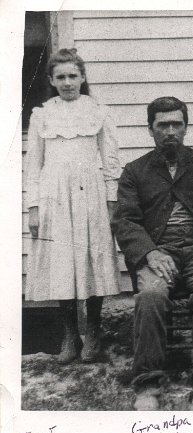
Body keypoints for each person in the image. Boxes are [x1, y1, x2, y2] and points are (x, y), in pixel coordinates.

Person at [112, 96, 193, 411]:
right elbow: (125, 221)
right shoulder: (134, 171)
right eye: (163, 125)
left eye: (177, 124)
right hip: (157, 253)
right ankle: (148, 383)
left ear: (186, 127)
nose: (170, 131)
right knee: (150, 293)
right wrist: (149, 253)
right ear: (150, 129)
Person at [24, 48, 121, 364]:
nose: (67, 82)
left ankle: (93, 331)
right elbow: (33, 166)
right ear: (52, 80)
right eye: (61, 77)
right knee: (61, 261)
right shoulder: (42, 115)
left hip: (90, 195)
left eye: (73, 76)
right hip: (54, 196)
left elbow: (110, 162)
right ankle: (70, 335)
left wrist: (111, 203)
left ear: (82, 77)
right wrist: (34, 208)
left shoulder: (98, 111)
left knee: (92, 259)